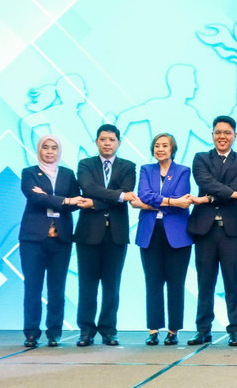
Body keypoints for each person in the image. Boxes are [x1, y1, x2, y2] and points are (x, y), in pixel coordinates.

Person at [186, 116, 237, 347]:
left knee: (233, 283)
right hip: (204, 229)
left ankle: (234, 330)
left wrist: (217, 195)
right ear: (212, 134)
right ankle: (203, 330)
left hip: (232, 231)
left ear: (235, 135)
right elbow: (205, 182)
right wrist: (232, 194)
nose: (222, 136)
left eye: (227, 132)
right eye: (218, 132)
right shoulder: (201, 158)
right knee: (205, 282)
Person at [19, 135, 88, 347]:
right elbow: (34, 197)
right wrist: (64, 200)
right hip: (33, 239)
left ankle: (54, 332)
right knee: (33, 287)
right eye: (45, 148)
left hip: (61, 239)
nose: (49, 152)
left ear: (59, 151)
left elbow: (77, 202)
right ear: (39, 150)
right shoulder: (29, 173)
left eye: (54, 148)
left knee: (57, 288)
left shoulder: (67, 174)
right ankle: (31, 332)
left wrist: (50, 197)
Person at [74, 124, 137, 347]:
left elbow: (128, 193)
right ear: (97, 142)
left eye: (112, 139)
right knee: (87, 284)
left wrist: (96, 202)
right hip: (88, 234)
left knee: (112, 285)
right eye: (103, 139)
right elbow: (88, 188)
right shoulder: (85, 164)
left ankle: (109, 330)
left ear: (119, 142)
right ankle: (86, 330)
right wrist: (117, 196)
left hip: (116, 235)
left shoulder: (128, 167)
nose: (107, 143)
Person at [132, 133, 194, 346]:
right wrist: (169, 201)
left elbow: (182, 197)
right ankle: (153, 330)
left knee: (176, 283)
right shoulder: (145, 169)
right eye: (157, 145)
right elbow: (143, 194)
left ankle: (173, 330)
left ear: (172, 149)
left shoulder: (183, 171)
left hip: (177, 235)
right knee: (153, 283)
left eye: (165, 146)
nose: (160, 149)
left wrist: (150, 203)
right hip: (150, 232)